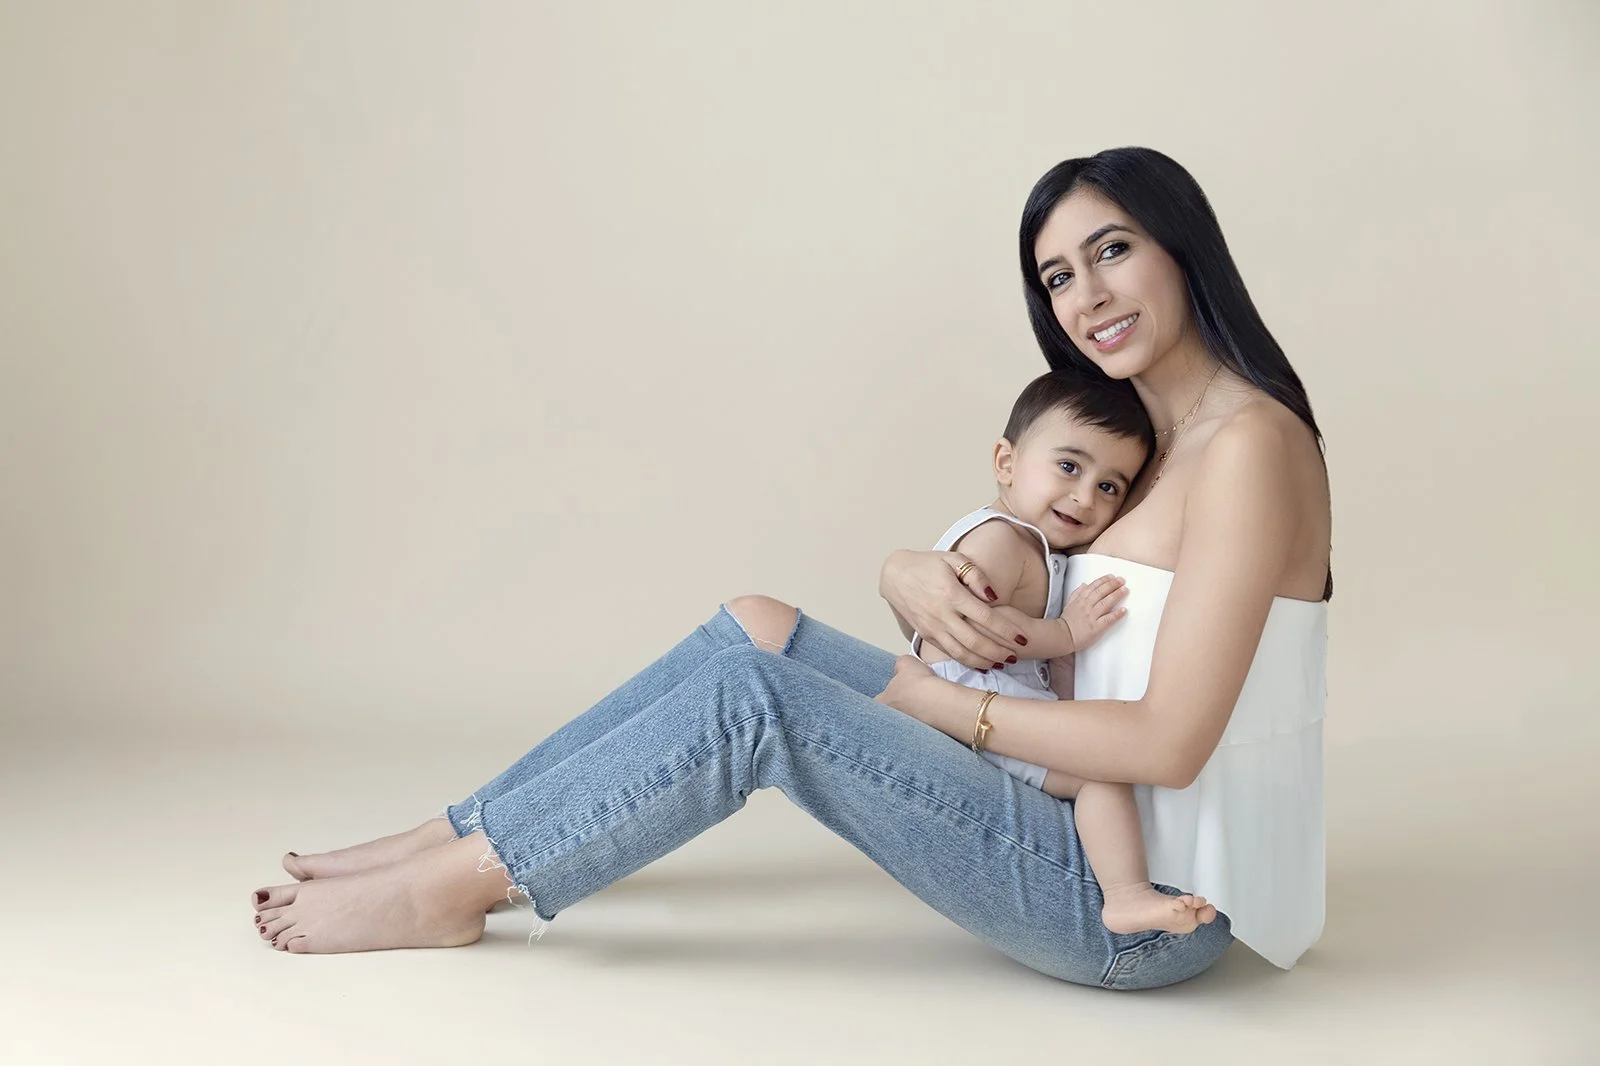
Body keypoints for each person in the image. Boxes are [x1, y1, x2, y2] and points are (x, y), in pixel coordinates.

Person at [249, 146, 1330, 988]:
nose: (1084, 296)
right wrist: (908, 568)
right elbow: (1038, 575)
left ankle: (453, 888)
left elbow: (1167, 742)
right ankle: (445, 835)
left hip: (1138, 901)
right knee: (755, 621)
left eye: (1111, 251)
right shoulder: (1140, 448)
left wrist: (924, 694)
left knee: (757, 696)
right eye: (1056, 275)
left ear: (1182, 245)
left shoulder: (1247, 447)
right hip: (1062, 805)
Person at [911, 370, 1218, 935]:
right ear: (1006, 462)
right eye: (1069, 467)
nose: (1084, 495)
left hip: (991, 703)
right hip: (970, 704)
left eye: (1109, 486)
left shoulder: (1034, 545)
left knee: (1094, 761)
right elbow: (985, 629)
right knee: (1101, 775)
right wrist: (1068, 635)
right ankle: (1126, 896)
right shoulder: (1002, 540)